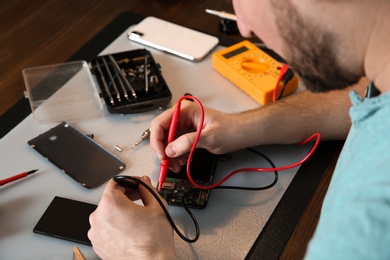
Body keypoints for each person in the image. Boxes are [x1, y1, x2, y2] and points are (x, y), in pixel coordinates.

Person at [88, 0, 390, 258]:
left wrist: (146, 254)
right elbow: (365, 94)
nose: (244, 27)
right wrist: (243, 125)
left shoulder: (368, 226)